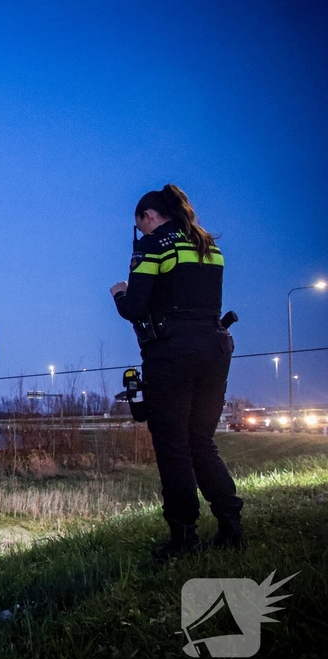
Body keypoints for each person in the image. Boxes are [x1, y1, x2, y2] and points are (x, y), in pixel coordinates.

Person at [110, 185, 244, 561]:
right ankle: (231, 525)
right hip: (215, 349)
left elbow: (135, 308)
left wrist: (120, 292)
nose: (142, 232)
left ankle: (184, 536)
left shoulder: (153, 246)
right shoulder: (206, 245)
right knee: (202, 440)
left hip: (173, 354)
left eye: (141, 225)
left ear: (149, 217)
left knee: (173, 445)